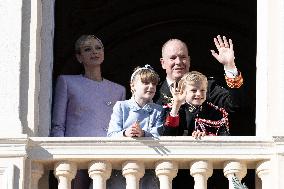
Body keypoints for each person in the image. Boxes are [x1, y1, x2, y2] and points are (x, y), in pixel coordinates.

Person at [155, 35, 244, 189]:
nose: (178, 62)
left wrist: (230, 66)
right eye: (173, 58)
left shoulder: (206, 87)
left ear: (189, 60)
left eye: (183, 57)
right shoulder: (153, 94)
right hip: (167, 175)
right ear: (163, 63)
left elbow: (234, 105)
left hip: (206, 175)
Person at [49, 35, 126, 189]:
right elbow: (58, 125)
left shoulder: (119, 90)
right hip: (75, 153)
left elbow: (121, 127)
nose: (94, 52)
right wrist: (60, 155)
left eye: (98, 48)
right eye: (87, 49)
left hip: (107, 154)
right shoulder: (67, 82)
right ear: (79, 57)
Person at [107, 64, 163, 189]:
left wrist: (143, 134)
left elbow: (159, 136)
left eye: (154, 84)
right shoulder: (121, 106)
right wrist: (126, 133)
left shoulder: (158, 110)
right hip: (123, 164)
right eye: (146, 83)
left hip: (148, 166)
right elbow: (111, 135)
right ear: (133, 85)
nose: (151, 87)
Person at [162, 71, 230, 138]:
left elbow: (224, 137)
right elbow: (168, 136)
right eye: (193, 90)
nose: (199, 94)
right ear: (183, 91)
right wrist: (176, 105)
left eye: (202, 90)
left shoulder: (215, 112)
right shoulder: (174, 111)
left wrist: (207, 136)